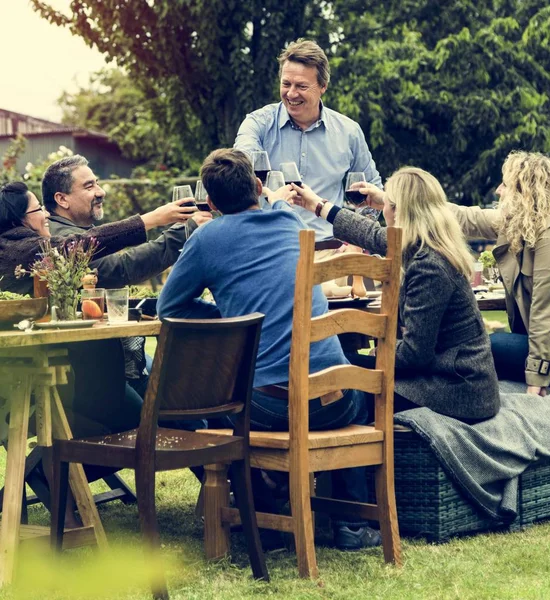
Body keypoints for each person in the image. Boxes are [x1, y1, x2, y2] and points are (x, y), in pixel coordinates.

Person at [157, 148, 381, 551]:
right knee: (352, 395)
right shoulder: (291, 221)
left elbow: (169, 308)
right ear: (259, 187)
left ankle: (269, 520)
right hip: (339, 401)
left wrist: (234, 322)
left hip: (273, 408)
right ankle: (349, 522)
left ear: (209, 203)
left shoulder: (207, 237)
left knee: (218, 405)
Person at [292, 167, 500, 421]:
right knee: (341, 366)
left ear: (399, 211)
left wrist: (373, 354)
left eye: (387, 205)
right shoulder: (425, 244)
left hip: (455, 389)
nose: (383, 211)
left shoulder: (429, 266)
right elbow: (369, 234)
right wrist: (319, 206)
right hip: (451, 378)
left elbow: (415, 354)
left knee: (337, 387)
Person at [0, 180, 195, 438]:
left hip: (66, 369)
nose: (45, 214)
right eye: (38, 210)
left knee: (143, 423)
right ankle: (44, 475)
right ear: (19, 219)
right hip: (51, 377)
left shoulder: (22, 246)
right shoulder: (19, 248)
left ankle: (50, 475)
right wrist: (150, 219)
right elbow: (80, 245)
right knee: (143, 427)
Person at [42, 154, 212, 400]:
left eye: (97, 183)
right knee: (186, 405)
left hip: (122, 355)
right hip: (98, 368)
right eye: (89, 186)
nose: (100, 192)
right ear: (62, 199)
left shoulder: (82, 230)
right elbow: (121, 269)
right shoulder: (62, 238)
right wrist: (183, 233)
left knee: (194, 389)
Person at [448, 152, 550, 408]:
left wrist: (537, 379)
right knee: (479, 348)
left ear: (525, 191)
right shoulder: (525, 222)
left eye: (505, 184)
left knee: (488, 347)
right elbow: (466, 217)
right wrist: (393, 201)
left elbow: (547, 312)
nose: (498, 191)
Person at [234, 38, 382, 246]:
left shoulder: (349, 132)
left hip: (330, 249)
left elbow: (372, 190)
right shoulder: (257, 123)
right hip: (267, 248)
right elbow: (241, 166)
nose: (291, 93)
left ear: (323, 86)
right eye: (286, 84)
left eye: (301, 86)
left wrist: (358, 241)